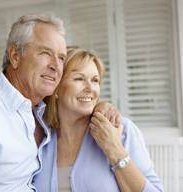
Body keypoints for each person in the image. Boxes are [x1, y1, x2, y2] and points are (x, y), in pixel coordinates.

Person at [0, 15, 120, 192]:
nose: (56, 66)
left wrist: (101, 107)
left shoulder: (39, 113)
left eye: (61, 58)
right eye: (45, 53)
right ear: (15, 56)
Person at [33, 47, 164, 192]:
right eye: (79, 79)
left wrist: (114, 149)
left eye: (95, 80)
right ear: (56, 88)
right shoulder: (40, 137)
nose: (90, 88)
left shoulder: (120, 128)